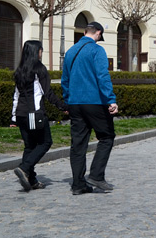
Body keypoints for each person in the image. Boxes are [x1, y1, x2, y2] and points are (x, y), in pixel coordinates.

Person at [62, 22, 118, 195]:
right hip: (94, 102)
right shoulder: (97, 50)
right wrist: (111, 100)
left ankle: (78, 185)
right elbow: (102, 76)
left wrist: (67, 101)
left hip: (75, 103)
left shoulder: (71, 51)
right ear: (98, 33)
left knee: (78, 145)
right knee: (107, 137)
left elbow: (65, 79)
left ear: (85, 31)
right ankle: (96, 175)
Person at [10, 40, 68, 191]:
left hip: (21, 114)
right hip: (33, 114)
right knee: (45, 142)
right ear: (36, 51)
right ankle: (24, 168)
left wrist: (13, 118)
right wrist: (63, 107)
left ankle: (32, 180)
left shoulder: (20, 70)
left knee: (30, 146)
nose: (42, 52)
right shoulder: (39, 69)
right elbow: (47, 92)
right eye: (41, 50)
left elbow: (16, 96)